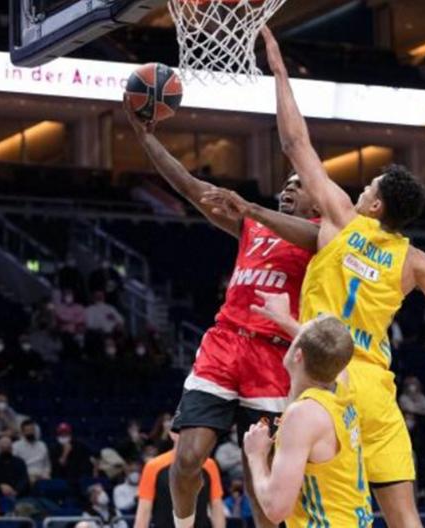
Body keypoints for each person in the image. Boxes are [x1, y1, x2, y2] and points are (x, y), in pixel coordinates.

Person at [200, 26, 425, 528]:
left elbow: (295, 143)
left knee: (306, 507)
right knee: (405, 519)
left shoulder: (342, 219)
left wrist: (278, 71)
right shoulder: (414, 261)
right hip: (377, 389)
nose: (361, 190)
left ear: (376, 205)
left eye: (369, 187)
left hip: (328, 377)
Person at [124, 93, 318, 528]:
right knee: (187, 458)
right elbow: (189, 187)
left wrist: (252, 207)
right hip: (225, 344)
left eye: (298, 185)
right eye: (286, 184)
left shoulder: (324, 236)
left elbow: (309, 236)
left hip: (273, 356)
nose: (288, 189)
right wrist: (144, 136)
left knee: (260, 481)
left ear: (320, 202)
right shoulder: (253, 226)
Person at [244, 314, 373, 526]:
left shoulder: (304, 415)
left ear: (298, 355)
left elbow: (276, 509)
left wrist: (256, 455)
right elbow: (329, 347)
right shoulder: (342, 384)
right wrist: (283, 318)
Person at [134, 430, 225, 528]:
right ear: (172, 434)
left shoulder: (209, 466)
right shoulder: (153, 467)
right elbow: (144, 512)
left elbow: (216, 507)